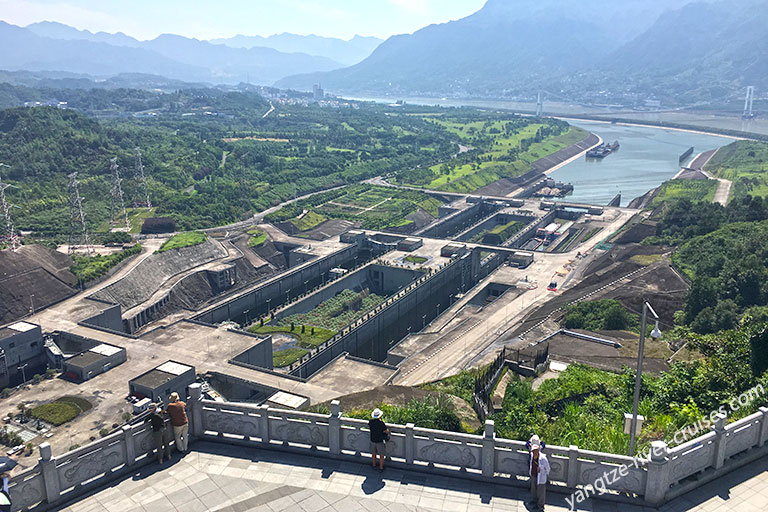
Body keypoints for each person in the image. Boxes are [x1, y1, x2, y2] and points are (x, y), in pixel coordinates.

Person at [528, 434, 550, 511]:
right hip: (533, 474)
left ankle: (540, 505)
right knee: (533, 489)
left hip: (541, 476)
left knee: (541, 492)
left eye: (536, 451)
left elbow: (548, 468)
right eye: (533, 451)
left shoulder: (543, 458)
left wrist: (542, 471)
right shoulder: (531, 455)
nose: (535, 452)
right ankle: (534, 501)